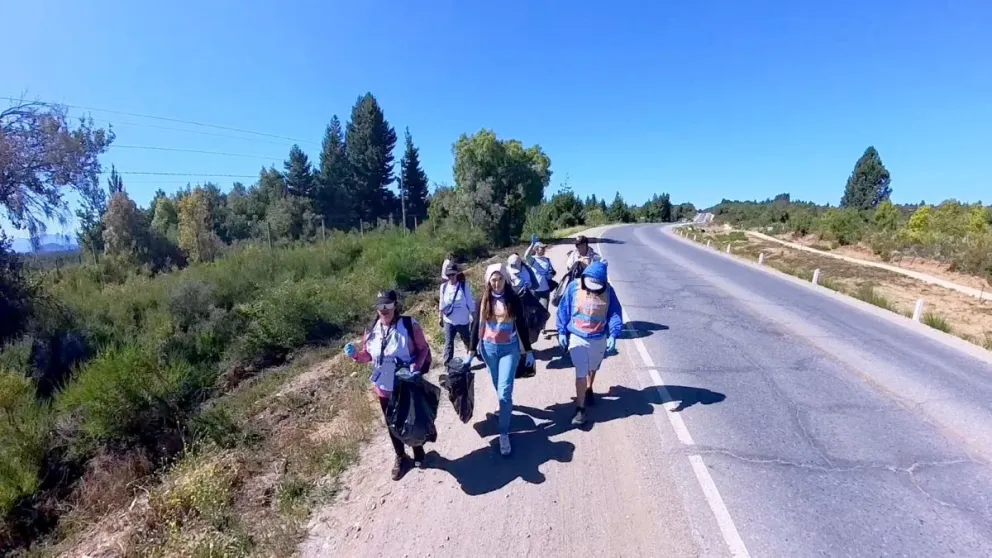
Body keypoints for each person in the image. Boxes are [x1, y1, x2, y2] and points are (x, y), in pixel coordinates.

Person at [345, 289, 433, 480]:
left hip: (405, 384)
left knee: (411, 419)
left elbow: (423, 348)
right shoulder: (371, 330)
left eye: (387, 305)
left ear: (395, 305)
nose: (384, 310)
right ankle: (401, 457)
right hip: (384, 388)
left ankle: (418, 449)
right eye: (380, 306)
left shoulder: (409, 325)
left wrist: (415, 367)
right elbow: (367, 355)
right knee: (392, 423)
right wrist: (354, 355)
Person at [468, 264, 535, 456]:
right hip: (489, 350)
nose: (497, 283)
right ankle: (505, 408)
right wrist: (471, 352)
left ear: (505, 280)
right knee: (499, 386)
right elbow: (475, 326)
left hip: (509, 350)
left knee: (505, 392)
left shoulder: (513, 299)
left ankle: (504, 432)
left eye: (500, 279)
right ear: (488, 281)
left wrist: (528, 350)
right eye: (493, 279)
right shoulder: (482, 300)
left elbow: (521, 323)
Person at [556, 261, 623, 426]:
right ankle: (580, 409)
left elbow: (615, 313)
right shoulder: (574, 287)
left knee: (592, 367)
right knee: (581, 370)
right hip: (577, 336)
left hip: (598, 338)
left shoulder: (609, 291)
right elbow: (563, 309)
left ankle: (589, 388)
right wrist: (562, 331)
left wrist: (614, 334)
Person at [439, 262, 474, 365]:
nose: (451, 277)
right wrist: (440, 317)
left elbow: (469, 301)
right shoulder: (443, 287)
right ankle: (447, 365)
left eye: (453, 274)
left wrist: (474, 315)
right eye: (448, 275)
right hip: (449, 320)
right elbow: (442, 302)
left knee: (467, 341)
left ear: (457, 274)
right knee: (448, 343)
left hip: (463, 320)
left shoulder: (463, 286)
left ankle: (468, 361)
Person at [523, 235, 557, 309]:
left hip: (545, 290)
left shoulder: (547, 260)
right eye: (542, 248)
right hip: (534, 291)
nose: (544, 249)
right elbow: (526, 256)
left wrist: (550, 275)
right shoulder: (532, 260)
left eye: (544, 247)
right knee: (534, 313)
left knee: (544, 313)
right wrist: (532, 244)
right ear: (536, 250)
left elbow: (552, 272)